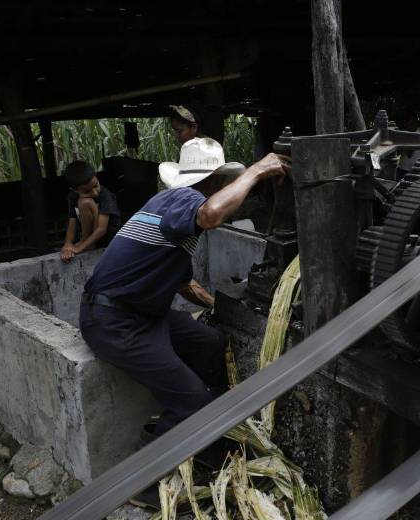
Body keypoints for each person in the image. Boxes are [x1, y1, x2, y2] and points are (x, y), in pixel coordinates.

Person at [79, 137, 290, 441]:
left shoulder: (171, 211)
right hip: (114, 322)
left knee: (210, 342)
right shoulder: (184, 199)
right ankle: (153, 478)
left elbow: (184, 283)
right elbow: (211, 215)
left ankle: (213, 419)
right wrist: (257, 170)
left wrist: (216, 306)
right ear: (217, 181)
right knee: (191, 405)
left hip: (142, 316)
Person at [60, 160, 121, 263]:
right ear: (75, 190)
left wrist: (79, 248)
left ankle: (87, 242)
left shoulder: (106, 195)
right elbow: (72, 222)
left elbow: (101, 229)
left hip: (107, 237)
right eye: (87, 191)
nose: (95, 192)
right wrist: (68, 244)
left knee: (85, 202)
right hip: (89, 236)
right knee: (82, 202)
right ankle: (86, 241)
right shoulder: (73, 196)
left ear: (96, 176)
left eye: (95, 185)